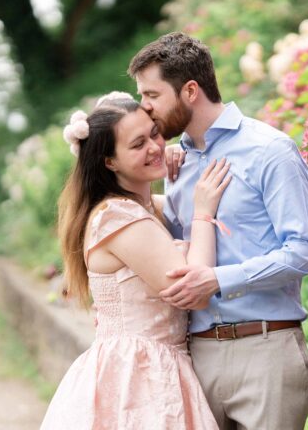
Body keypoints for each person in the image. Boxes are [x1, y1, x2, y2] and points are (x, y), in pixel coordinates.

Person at [128, 32, 308, 429]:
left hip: (266, 351)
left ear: (190, 90)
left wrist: (217, 280)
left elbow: (305, 250)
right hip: (196, 357)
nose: (144, 108)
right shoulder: (174, 164)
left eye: (152, 96)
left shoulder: (270, 150)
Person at [40, 93, 231, 429]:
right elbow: (194, 288)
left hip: (154, 365)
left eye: (155, 133)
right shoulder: (117, 217)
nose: (155, 146)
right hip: (138, 376)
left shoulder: (142, 209)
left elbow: (173, 204)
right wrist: (203, 213)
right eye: (138, 143)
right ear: (109, 162)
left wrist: (179, 172)